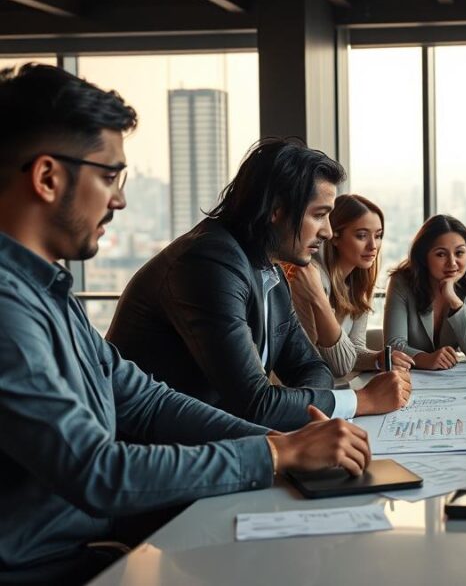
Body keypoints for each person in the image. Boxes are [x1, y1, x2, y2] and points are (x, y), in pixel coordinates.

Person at [0, 65, 372, 583]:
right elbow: (97, 472)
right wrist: (275, 451)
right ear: (47, 177)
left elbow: (148, 401)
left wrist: (286, 447)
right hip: (44, 567)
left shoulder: (49, 293)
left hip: (89, 547)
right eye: (109, 176)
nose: (120, 198)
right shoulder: (9, 308)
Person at [107, 139, 410, 432]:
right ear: (275, 210)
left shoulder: (269, 270)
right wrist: (360, 400)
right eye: (319, 215)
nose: (328, 232)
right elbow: (255, 405)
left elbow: (312, 367)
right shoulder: (208, 262)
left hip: (216, 442)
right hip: (156, 451)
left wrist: (308, 412)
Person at [285, 194, 414, 376]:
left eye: (378, 236)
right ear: (334, 237)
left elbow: (354, 349)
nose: (373, 246)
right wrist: (319, 298)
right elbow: (340, 365)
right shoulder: (312, 278)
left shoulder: (358, 282)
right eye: (361, 236)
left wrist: (378, 359)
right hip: (298, 390)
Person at [384, 214, 466, 367]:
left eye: (459, 253)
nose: (452, 263)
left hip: (453, 382)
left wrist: (454, 301)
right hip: (410, 379)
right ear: (423, 257)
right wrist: (425, 359)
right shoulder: (402, 282)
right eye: (441, 254)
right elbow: (393, 345)